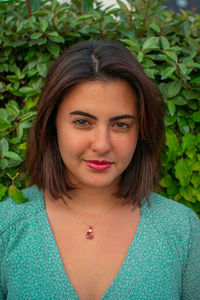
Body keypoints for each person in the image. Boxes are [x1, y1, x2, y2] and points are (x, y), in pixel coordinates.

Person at [0, 40, 199, 300]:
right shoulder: (8, 224)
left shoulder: (181, 229)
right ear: (52, 125)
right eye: (82, 122)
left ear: (141, 131)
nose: (102, 145)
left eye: (120, 124)